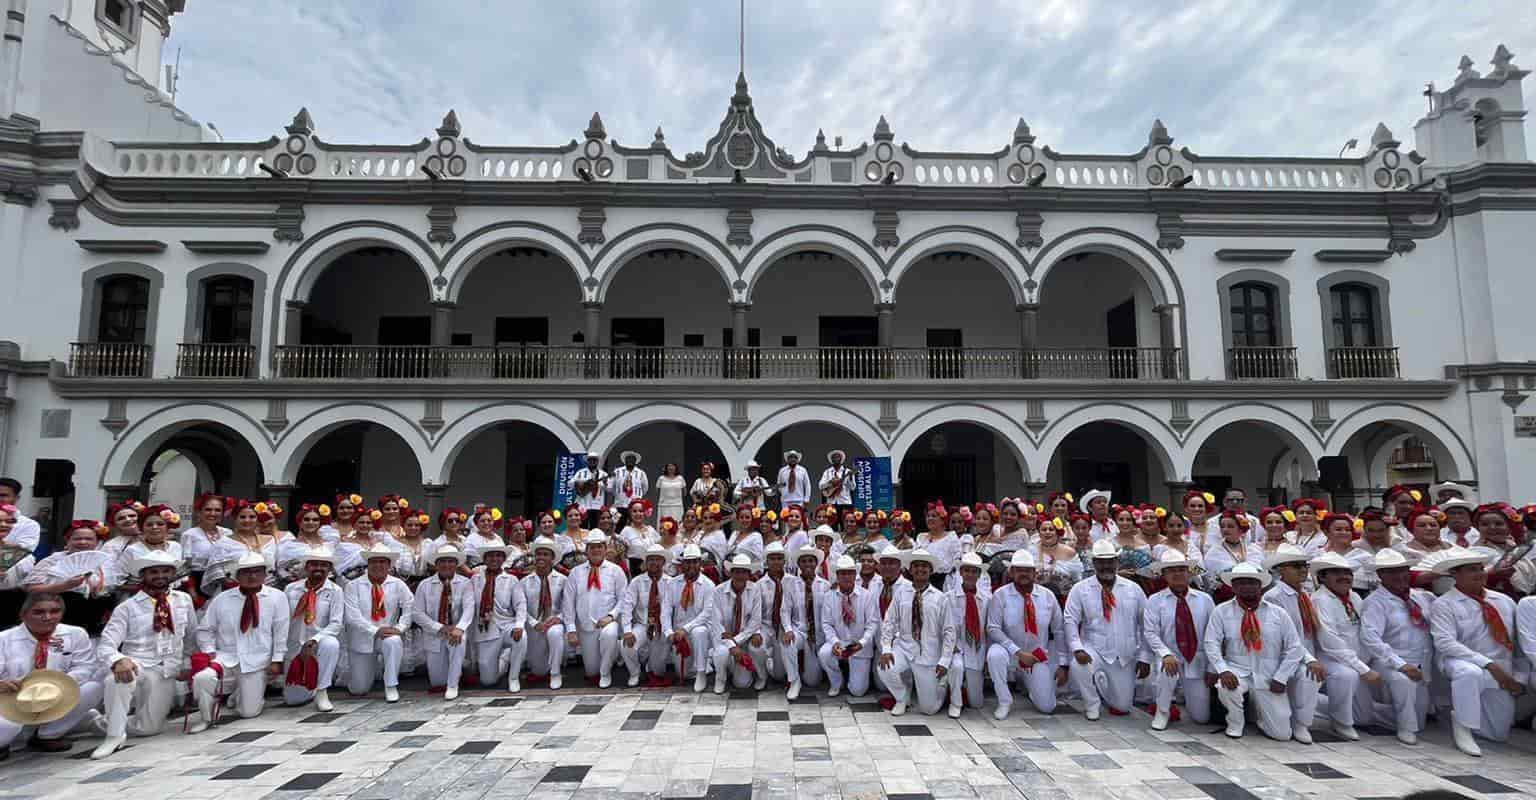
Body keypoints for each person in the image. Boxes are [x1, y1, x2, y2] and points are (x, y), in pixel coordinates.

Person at [92, 550, 194, 759]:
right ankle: (114, 735)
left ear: (173, 573)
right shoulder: (127, 607)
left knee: (149, 728)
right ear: (143, 575)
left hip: (166, 668)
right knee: (117, 679)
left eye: (166, 571)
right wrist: (119, 660)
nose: (160, 576)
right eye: (153, 572)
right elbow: (106, 645)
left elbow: (192, 635)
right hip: (138, 664)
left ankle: (98, 722)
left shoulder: (183, 600)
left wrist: (187, 662)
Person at [1428, 546, 1523, 756]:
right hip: (1460, 661)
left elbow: (1518, 643)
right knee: (1469, 672)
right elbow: (1445, 643)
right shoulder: (1444, 604)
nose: (1479, 574)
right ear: (1455, 574)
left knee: (1497, 734)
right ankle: (1463, 725)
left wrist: (1518, 677)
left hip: (1501, 667)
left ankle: (1455, 713)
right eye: (1471, 569)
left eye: (1480, 568)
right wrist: (1487, 664)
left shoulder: (1504, 601)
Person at [1204, 562, 1306, 740]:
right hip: (1237, 670)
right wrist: (1222, 670)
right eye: (1241, 582)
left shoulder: (1278, 613)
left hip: (1269, 674)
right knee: (1226, 687)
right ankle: (1235, 722)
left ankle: (1258, 713)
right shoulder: (1221, 611)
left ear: (1260, 585)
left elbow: (1295, 648)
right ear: (1233, 586)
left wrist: (1281, 677)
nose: (1247, 587)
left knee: (1281, 735)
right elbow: (1211, 643)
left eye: (1252, 582)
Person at [190, 551, 288, 732]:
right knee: (203, 677)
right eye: (246, 572)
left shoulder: (277, 597)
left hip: (257, 659)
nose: (252, 576)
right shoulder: (222, 599)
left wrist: (277, 660)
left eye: (257, 571)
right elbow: (205, 629)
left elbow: (281, 632)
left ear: (264, 574)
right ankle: (207, 717)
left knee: (248, 712)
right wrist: (209, 651)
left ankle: (241, 693)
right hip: (226, 656)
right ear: (237, 576)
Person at [0, 593, 100, 758]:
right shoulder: (3, 639)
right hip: (12, 700)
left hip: (54, 695)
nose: (48, 617)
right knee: (9, 727)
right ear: (23, 615)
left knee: (95, 685)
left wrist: (57, 683)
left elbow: (85, 666)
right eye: (39, 612)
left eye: (55, 611)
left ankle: (48, 735)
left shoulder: (76, 634)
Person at [1064, 540, 1149, 720]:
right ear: (1094, 563)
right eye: (1101, 562)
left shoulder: (1133, 589)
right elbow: (1070, 620)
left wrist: (1144, 657)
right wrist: (1077, 648)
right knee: (1078, 664)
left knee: (1122, 706)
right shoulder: (1080, 589)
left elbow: (1146, 625)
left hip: (1124, 655)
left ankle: (1103, 686)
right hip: (1094, 649)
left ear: (1117, 563)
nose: (1106, 566)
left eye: (1110, 561)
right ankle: (1092, 704)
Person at [1263, 544, 1337, 743]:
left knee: (1312, 677)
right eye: (1296, 566)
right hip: (1282, 658)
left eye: (1304, 565)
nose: (1303, 570)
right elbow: (1287, 638)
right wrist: (1310, 658)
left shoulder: (1304, 594)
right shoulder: (1274, 597)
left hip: (1304, 654)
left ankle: (1302, 723)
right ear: (1281, 570)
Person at [1360, 549, 1434, 744]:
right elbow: (1371, 638)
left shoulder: (1421, 597)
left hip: (1422, 661)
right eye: (1391, 572)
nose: (1399, 576)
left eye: (1402, 570)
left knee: (1420, 719)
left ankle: (1368, 710)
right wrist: (1400, 664)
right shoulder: (1375, 602)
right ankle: (1405, 727)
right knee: (1403, 681)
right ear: (1380, 575)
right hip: (1389, 662)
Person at [1306, 551, 1382, 740]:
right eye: (1336, 572)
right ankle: (1340, 721)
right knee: (1345, 674)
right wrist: (1361, 668)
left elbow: (1364, 631)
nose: (1345, 577)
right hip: (1329, 658)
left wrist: (1365, 662)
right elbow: (1329, 640)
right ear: (1323, 577)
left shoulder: (1355, 597)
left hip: (1354, 659)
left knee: (1364, 718)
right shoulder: (1319, 600)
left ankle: (1317, 703)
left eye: (1347, 573)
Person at [986, 550, 1067, 719]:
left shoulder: (1047, 596)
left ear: (1034, 573)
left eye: (1027, 570)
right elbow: (993, 628)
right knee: (994, 654)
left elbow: (1059, 630)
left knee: (1047, 707)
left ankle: (1029, 686)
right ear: (1011, 572)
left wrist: (1063, 664)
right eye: (1018, 569)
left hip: (1036, 657)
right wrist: (1017, 651)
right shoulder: (1000, 595)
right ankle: (1004, 700)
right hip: (1010, 654)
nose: (1023, 574)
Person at [1142, 548, 1215, 730]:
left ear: (1189, 572)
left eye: (1181, 569)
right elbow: (1150, 632)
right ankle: (1163, 709)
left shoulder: (1205, 600)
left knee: (1201, 718)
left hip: (1197, 657)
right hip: (1169, 655)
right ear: (1164, 575)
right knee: (1167, 670)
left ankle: (1189, 701)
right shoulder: (1155, 600)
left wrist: (1213, 666)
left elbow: (1214, 634)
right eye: (1171, 570)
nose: (1177, 574)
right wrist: (1165, 654)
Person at [877, 549, 954, 716]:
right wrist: (886, 648)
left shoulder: (941, 598)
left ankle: (942, 687)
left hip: (928, 654)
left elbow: (949, 631)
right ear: (910, 570)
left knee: (929, 709)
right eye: (916, 566)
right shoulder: (901, 593)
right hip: (904, 647)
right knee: (884, 667)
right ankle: (902, 698)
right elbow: (889, 621)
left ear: (931, 570)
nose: (920, 569)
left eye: (924, 566)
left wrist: (945, 660)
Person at [342, 542, 413, 702]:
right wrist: (375, 631)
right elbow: (352, 617)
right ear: (368, 564)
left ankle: (391, 685)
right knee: (359, 689)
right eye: (374, 561)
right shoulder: (353, 586)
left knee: (394, 641)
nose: (378, 565)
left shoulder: (398, 584)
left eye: (383, 562)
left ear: (389, 565)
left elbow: (409, 607)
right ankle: (364, 673)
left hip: (387, 635)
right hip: (362, 638)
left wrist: (400, 628)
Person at [280, 546, 343, 712]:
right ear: (307, 567)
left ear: (329, 569)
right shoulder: (291, 589)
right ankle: (311, 687)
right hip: (294, 646)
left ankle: (322, 691)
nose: (319, 568)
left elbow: (336, 623)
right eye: (314, 564)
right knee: (293, 700)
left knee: (332, 644)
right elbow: (282, 620)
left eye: (324, 565)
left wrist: (315, 640)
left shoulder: (335, 591)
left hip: (319, 643)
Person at [564, 531, 627, 688]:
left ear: (605, 549)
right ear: (587, 550)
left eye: (599, 547)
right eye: (592, 547)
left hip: (607, 622)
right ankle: (613, 653)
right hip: (586, 627)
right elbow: (568, 603)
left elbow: (623, 599)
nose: (596, 550)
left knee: (610, 633)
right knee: (591, 671)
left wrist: (611, 616)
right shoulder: (576, 573)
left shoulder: (615, 570)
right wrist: (571, 629)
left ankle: (606, 672)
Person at [412, 544, 473, 699]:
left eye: (450, 561)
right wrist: (440, 627)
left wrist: (459, 628)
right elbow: (417, 613)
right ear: (436, 564)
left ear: (456, 564)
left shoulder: (465, 583)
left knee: (459, 640)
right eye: (442, 561)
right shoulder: (424, 585)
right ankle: (459, 668)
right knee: (438, 682)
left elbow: (469, 609)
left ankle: (453, 685)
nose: (446, 565)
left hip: (456, 632)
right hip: (435, 634)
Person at [470, 544, 527, 692]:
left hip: (507, 625)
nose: (494, 559)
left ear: (503, 559)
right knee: (488, 681)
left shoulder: (511, 579)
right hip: (486, 629)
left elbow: (521, 604)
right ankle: (505, 658)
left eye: (498, 555)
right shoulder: (475, 579)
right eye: (490, 556)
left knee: (522, 637)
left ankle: (513, 677)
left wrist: (519, 625)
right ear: (484, 559)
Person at [819, 554, 877, 698]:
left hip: (859, 646)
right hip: (840, 642)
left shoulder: (867, 596)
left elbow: (872, 624)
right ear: (837, 575)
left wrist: (862, 643)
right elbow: (826, 624)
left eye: (850, 573)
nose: (846, 577)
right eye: (842, 573)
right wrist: (834, 642)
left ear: (855, 574)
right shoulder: (829, 596)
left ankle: (853, 678)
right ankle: (836, 682)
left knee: (858, 692)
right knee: (824, 653)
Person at [751, 542, 801, 698]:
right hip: (766, 626)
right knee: (755, 647)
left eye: (780, 558)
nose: (776, 562)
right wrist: (757, 632)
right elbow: (755, 613)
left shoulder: (793, 581)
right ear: (767, 561)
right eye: (772, 559)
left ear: (784, 561)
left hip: (786, 627)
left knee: (779, 676)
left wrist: (789, 629)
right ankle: (762, 676)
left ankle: (786, 675)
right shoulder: (759, 585)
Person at [666, 544, 718, 691]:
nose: (691, 565)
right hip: (679, 634)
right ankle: (705, 663)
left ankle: (702, 672)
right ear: (682, 564)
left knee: (698, 631)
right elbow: (666, 610)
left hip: (700, 631)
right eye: (687, 562)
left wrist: (686, 629)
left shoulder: (709, 585)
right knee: (683, 672)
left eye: (694, 561)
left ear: (700, 563)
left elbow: (707, 613)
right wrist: (669, 632)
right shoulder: (673, 583)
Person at [619, 543, 670, 688]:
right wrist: (628, 630)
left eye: (657, 559)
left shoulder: (671, 583)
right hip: (642, 625)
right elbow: (627, 607)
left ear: (663, 562)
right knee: (626, 645)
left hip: (662, 627)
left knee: (657, 670)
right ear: (646, 562)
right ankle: (635, 673)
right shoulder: (636, 582)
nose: (654, 562)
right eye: (650, 559)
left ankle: (651, 664)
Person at [521, 537, 569, 690]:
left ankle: (556, 673)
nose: (541, 557)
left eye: (545, 554)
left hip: (555, 624)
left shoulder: (562, 580)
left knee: (555, 634)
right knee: (539, 671)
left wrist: (558, 618)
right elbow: (521, 609)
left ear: (553, 558)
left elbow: (568, 606)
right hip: (534, 627)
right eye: (538, 554)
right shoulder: (525, 582)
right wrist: (534, 623)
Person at [945, 552, 989, 718]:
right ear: (961, 572)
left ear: (979, 575)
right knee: (956, 667)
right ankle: (955, 702)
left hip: (976, 647)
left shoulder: (986, 599)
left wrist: (986, 658)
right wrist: (950, 648)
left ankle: (966, 690)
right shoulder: (948, 598)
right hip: (955, 647)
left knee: (976, 703)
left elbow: (987, 628)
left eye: (974, 571)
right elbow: (944, 627)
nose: (970, 574)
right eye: (967, 571)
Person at [711, 553, 762, 693]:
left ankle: (739, 668)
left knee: (742, 684)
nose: (740, 575)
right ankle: (720, 678)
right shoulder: (718, 591)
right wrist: (731, 644)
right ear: (730, 573)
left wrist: (736, 641)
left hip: (743, 638)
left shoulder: (755, 590)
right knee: (721, 653)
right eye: (737, 571)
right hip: (723, 639)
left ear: (749, 574)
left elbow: (755, 621)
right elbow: (716, 623)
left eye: (744, 572)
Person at [570, 453, 609, 528]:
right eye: (590, 460)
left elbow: (609, 489)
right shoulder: (580, 472)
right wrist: (580, 482)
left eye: (594, 460)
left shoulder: (603, 474)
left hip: (597, 505)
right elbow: (570, 484)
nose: (592, 461)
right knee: (582, 527)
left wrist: (605, 483)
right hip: (583, 505)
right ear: (587, 461)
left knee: (595, 528)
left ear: (597, 462)